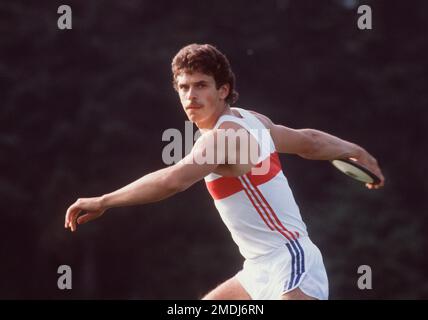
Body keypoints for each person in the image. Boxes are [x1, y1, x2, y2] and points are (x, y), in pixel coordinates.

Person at [65, 43, 385, 300]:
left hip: (291, 261)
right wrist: (355, 150)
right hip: (257, 270)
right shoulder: (252, 119)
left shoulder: (223, 138)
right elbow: (309, 142)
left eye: (201, 85)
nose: (191, 96)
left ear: (223, 90)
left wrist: (104, 200)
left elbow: (173, 180)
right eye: (184, 87)